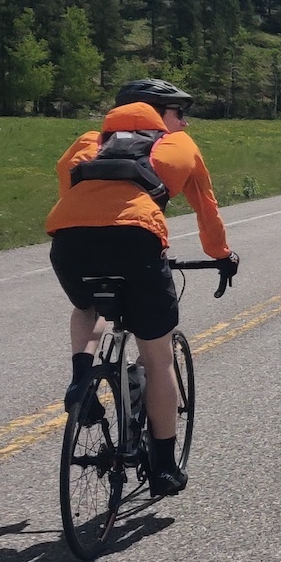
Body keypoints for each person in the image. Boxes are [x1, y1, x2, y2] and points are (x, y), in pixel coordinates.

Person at [45, 79, 238, 497]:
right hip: (135, 240)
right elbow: (207, 208)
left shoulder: (87, 141)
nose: (184, 121)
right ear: (154, 111)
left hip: (69, 240)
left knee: (89, 306)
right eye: (178, 111)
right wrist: (221, 254)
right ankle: (165, 467)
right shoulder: (179, 146)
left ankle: (81, 378)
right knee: (158, 358)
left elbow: (72, 191)